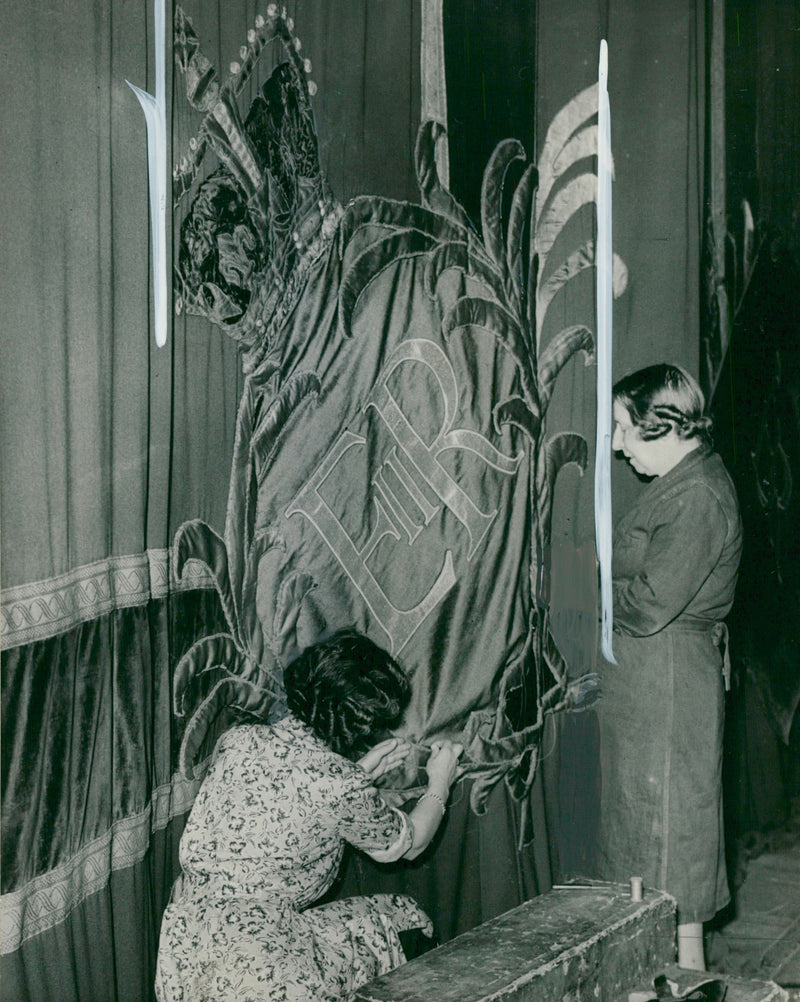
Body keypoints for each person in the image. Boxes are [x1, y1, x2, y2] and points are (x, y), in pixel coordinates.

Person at [155, 629, 463, 1001]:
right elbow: (410, 843)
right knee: (403, 920)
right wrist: (440, 781)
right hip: (258, 967)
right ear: (361, 726)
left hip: (187, 951)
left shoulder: (240, 739)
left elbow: (287, 803)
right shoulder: (339, 785)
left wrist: (360, 773)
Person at [596, 364, 742, 971]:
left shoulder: (699, 495)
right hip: (654, 685)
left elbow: (652, 601)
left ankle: (682, 980)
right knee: (655, 839)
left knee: (670, 841)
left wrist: (589, 594)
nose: (615, 444)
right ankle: (673, 977)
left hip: (671, 686)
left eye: (623, 429)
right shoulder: (682, 481)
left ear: (661, 427)